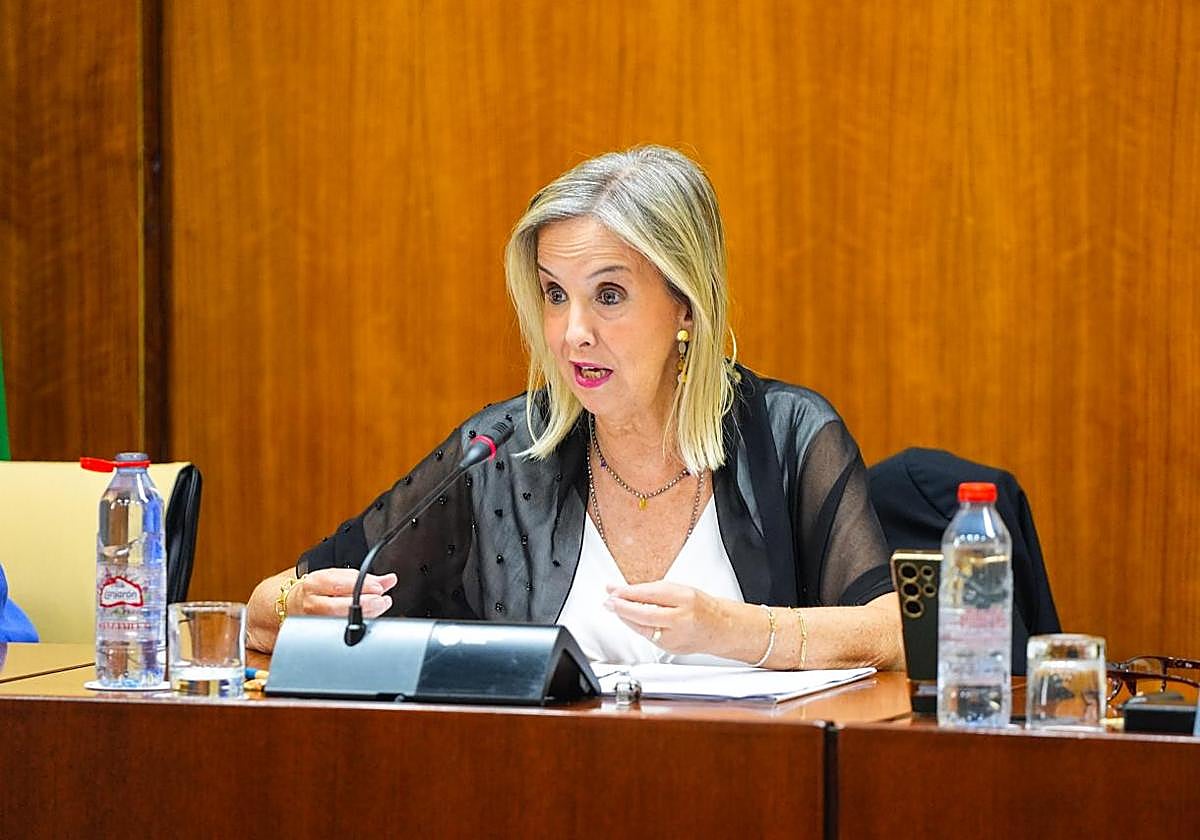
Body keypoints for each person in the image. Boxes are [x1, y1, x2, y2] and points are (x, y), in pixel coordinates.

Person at [247, 145, 903, 670]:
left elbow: (893, 632)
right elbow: (263, 607)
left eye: (608, 296)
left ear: (685, 305)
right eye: (555, 295)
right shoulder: (500, 453)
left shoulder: (789, 435)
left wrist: (737, 630)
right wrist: (297, 603)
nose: (572, 333)